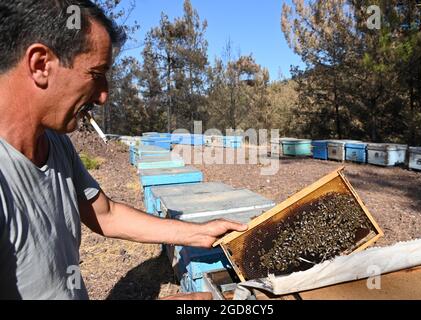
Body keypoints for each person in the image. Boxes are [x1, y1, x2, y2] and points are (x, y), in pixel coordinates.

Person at [0, 0, 247, 300]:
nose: (103, 95)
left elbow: (106, 214)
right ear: (40, 64)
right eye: (96, 73)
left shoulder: (56, 144)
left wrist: (197, 232)